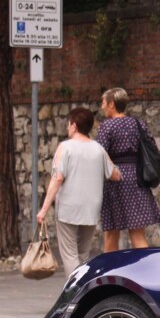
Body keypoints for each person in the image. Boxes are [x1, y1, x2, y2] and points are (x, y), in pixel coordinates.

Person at [36, 107, 121, 274]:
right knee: (83, 254)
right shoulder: (99, 149)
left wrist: (44, 209)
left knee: (70, 254)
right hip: (91, 208)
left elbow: (57, 178)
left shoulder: (65, 148)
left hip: (69, 207)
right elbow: (115, 174)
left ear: (73, 126)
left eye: (68, 124)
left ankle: (75, 293)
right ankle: (84, 289)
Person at [96, 87, 160, 252]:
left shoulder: (107, 126)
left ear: (112, 104)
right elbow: (151, 146)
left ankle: (110, 270)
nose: (102, 106)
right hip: (136, 177)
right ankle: (144, 269)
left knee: (112, 233)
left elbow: (99, 154)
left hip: (116, 179)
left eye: (104, 102)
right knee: (138, 233)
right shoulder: (137, 123)